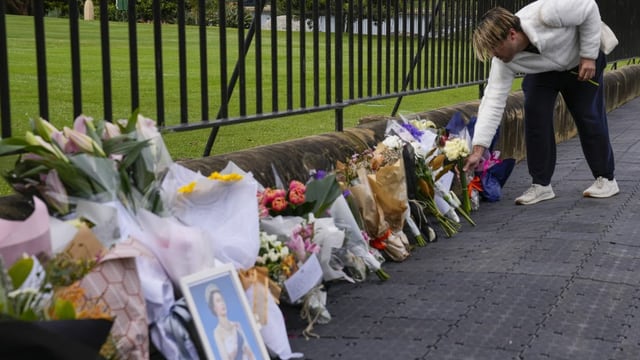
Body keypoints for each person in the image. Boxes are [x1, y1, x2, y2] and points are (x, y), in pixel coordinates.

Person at [463, 0, 619, 205]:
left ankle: (606, 178)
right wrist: (478, 150)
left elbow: (589, 7)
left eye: (495, 48)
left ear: (511, 34)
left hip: (580, 61)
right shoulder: (503, 61)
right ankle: (541, 185)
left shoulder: (546, 14)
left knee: (588, 116)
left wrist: (588, 56)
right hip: (544, 71)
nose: (494, 55)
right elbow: (492, 101)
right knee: (534, 111)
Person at [205, 283, 255, 360]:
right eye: (218, 301)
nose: (222, 303)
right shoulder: (217, 333)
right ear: (214, 307)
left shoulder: (237, 325)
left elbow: (249, 352)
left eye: (222, 300)